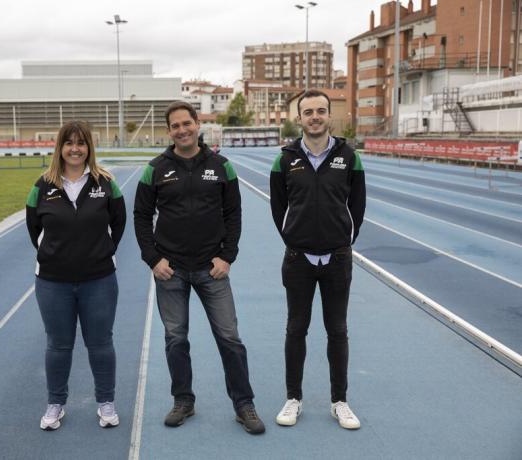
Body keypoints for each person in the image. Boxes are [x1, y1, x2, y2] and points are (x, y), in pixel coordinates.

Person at [134, 101, 265, 435]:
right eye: (175, 126)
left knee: (230, 338)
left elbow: (234, 214)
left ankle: (244, 404)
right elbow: (141, 216)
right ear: (169, 131)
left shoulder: (222, 166)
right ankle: (183, 401)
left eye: (187, 123)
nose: (182, 130)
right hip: (171, 269)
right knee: (176, 338)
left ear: (197, 125)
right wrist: (153, 259)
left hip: (212, 268)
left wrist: (227, 257)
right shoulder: (155, 168)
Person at [269, 89, 366, 430]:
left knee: (337, 331)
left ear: (328, 116)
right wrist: (294, 238)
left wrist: (343, 240)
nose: (314, 116)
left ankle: (340, 401)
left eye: (320, 111)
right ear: (299, 118)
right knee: (296, 329)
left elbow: (358, 205)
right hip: (298, 259)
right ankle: (293, 398)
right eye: (308, 111)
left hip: (337, 259)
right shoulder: (284, 159)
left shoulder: (348, 156)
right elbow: (278, 207)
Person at [26, 120, 126, 431]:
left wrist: (102, 251)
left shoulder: (106, 183)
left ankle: (106, 403)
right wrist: (55, 256)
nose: (75, 148)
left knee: (100, 343)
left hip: (99, 280)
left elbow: (119, 224)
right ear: (60, 147)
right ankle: (55, 404)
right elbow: (34, 229)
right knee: (58, 345)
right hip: (52, 282)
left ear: (89, 148)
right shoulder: (41, 186)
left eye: (81, 143)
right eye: (68, 143)